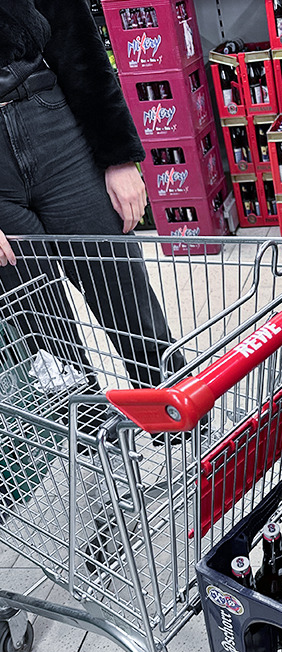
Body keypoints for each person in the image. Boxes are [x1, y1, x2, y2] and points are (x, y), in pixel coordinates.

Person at [0, 0, 186, 413]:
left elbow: (75, 37)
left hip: (51, 123)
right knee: (42, 326)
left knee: (122, 287)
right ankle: (95, 448)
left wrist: (118, 156)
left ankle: (175, 423)